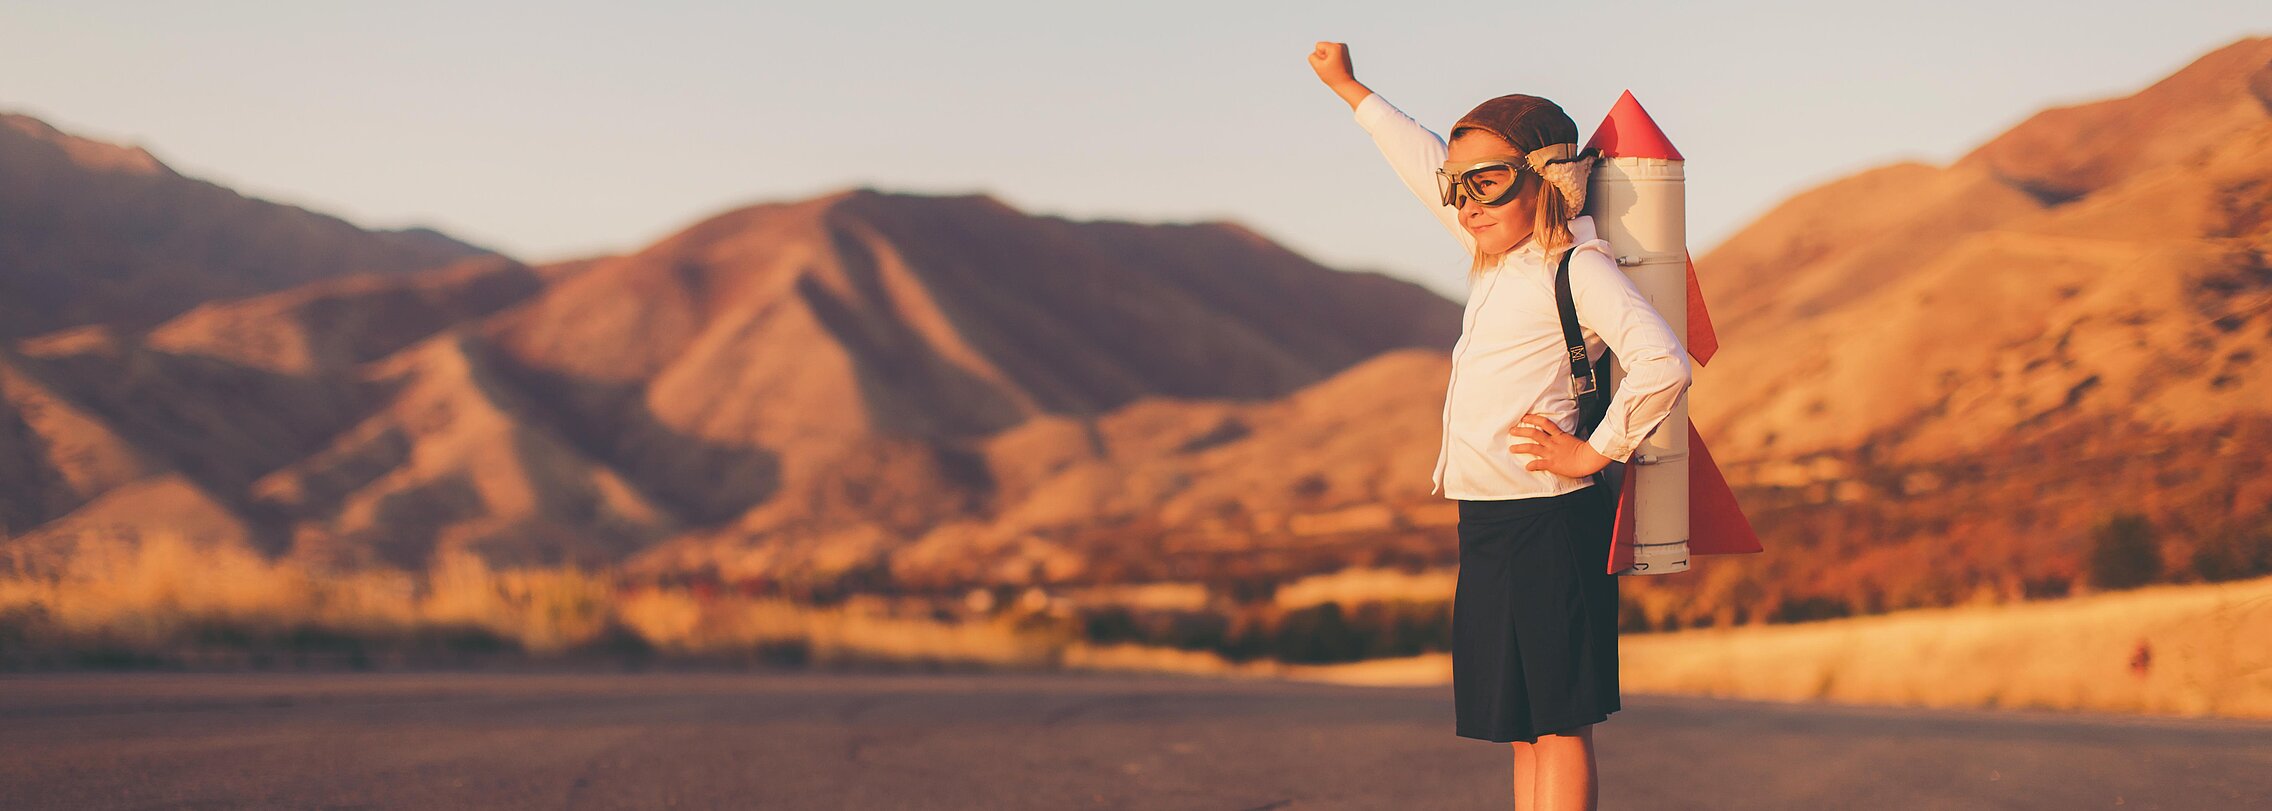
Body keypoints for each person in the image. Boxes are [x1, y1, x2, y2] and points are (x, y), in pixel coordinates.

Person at [1307, 41, 1694, 811]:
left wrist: (1594, 451)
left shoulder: (1574, 267)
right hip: (1486, 521)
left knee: (1560, 722)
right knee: (1521, 722)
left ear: (1546, 178)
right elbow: (1420, 164)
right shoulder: (1493, 257)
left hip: (1550, 522)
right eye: (1461, 189)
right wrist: (1351, 89)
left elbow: (1664, 362)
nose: (1467, 203)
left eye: (1486, 182)